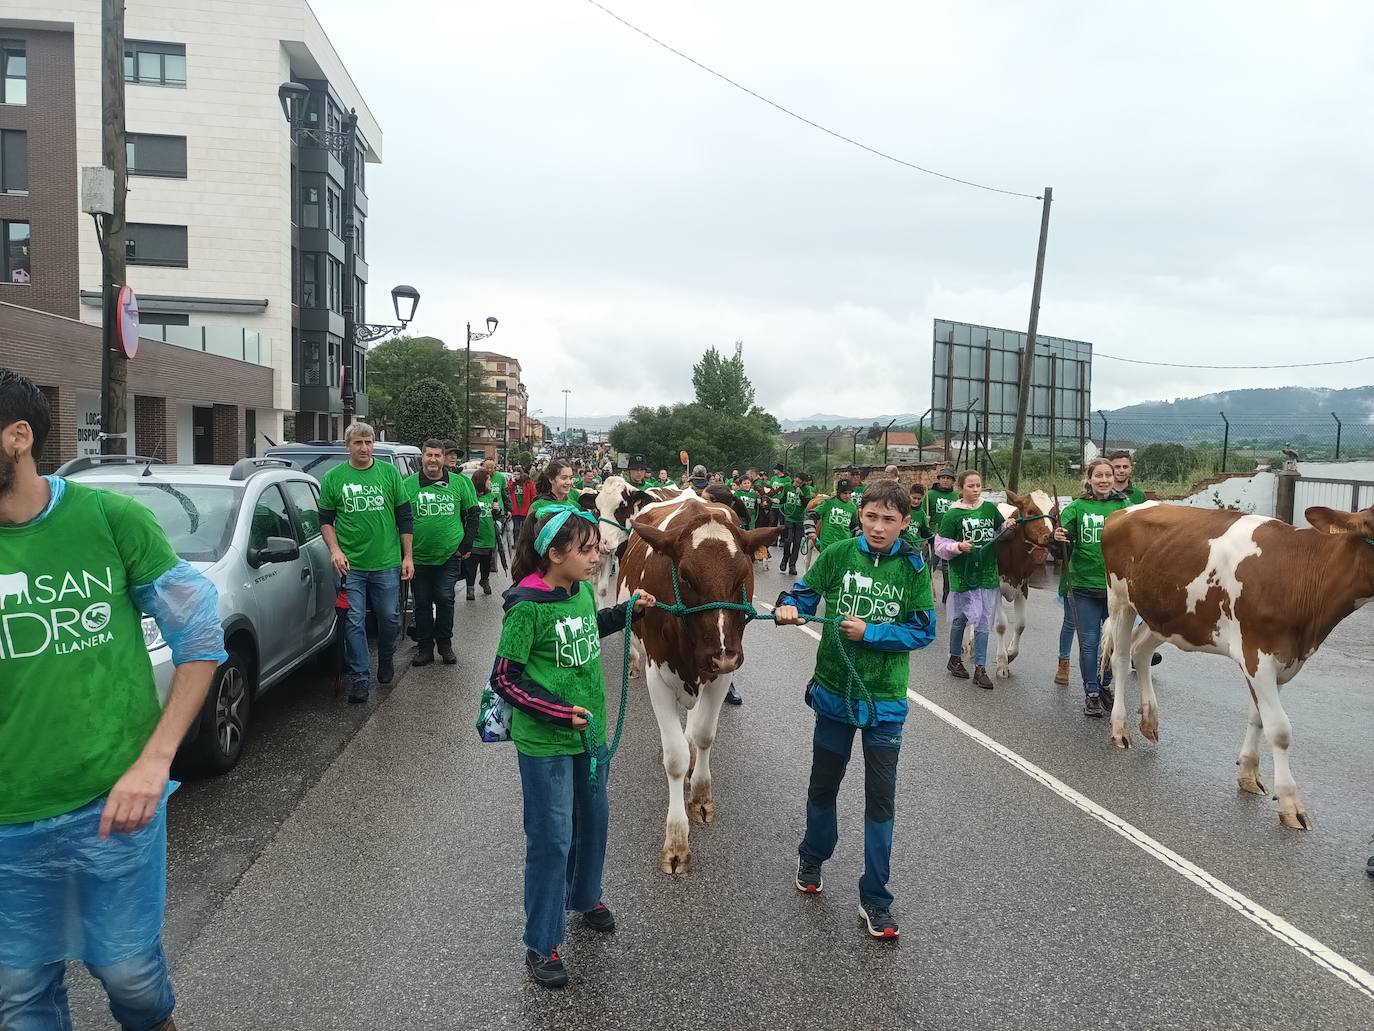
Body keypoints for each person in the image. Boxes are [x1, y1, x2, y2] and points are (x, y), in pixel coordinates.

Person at [0, 368, 225, 1031]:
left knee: (130, 975)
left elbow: (200, 630)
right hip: (7, 822)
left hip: (111, 805)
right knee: (19, 999)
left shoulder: (107, 518)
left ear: (17, 437)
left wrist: (156, 759)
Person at [490, 504, 656, 988]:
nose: (598, 555)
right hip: (546, 744)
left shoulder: (580, 591)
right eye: (586, 549)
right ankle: (542, 941)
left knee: (595, 821)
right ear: (554, 553)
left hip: (592, 735)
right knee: (552, 838)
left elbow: (587, 627)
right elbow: (505, 678)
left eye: (596, 547)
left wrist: (626, 612)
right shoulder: (526, 608)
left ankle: (586, 897)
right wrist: (558, 712)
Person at [774, 479, 937, 940]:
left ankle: (875, 898)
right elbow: (802, 594)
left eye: (890, 519)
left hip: (885, 703)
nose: (879, 527)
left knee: (880, 801)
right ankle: (813, 852)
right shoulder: (839, 554)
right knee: (824, 784)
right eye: (872, 516)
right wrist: (789, 607)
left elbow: (923, 631)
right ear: (859, 516)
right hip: (833, 694)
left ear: (906, 523)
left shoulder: (913, 567)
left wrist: (872, 633)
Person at [320, 421, 414, 703]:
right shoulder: (334, 478)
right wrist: (335, 550)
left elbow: (404, 517)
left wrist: (407, 555)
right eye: (358, 442)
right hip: (351, 567)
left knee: (389, 617)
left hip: (386, 563)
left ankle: (386, 658)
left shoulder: (388, 474)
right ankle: (360, 679)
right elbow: (325, 520)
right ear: (348, 445)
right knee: (353, 622)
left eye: (368, 442)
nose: (364, 447)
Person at [1054, 458, 1130, 717]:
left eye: (1108, 475)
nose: (1105, 480)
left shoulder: (1124, 506)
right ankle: (1092, 693)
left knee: (1113, 643)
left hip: (1116, 588)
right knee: (1090, 642)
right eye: (1098, 475)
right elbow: (1061, 545)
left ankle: (1105, 685)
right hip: (1083, 584)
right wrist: (1058, 538)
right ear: (1089, 479)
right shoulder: (1075, 508)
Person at [934, 470, 1014, 691]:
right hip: (965, 573)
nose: (976, 489)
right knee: (961, 618)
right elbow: (940, 546)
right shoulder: (952, 516)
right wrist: (958, 547)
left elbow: (998, 530)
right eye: (970, 486)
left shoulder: (989, 509)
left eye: (978, 485)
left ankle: (980, 668)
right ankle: (954, 658)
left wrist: (1006, 527)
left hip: (987, 573)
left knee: (983, 621)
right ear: (961, 488)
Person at [404, 439, 478, 666]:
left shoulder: (459, 483)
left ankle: (445, 645)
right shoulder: (408, 485)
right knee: (422, 603)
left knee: (445, 599)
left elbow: (473, 513)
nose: (433, 460)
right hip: (419, 558)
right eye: (429, 455)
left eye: (438, 455)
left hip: (448, 556)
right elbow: (401, 519)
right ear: (422, 458)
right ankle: (425, 648)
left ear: (443, 458)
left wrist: (465, 546)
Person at [924, 468, 959, 604]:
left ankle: (947, 597)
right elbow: (922, 515)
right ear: (938, 479)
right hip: (934, 536)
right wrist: (926, 521)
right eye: (943, 477)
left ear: (953, 481)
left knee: (948, 569)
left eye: (948, 478)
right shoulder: (930, 495)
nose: (945, 480)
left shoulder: (956, 497)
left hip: (950, 538)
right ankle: (925, 596)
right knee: (929, 567)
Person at [467, 469, 501, 600]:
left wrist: (497, 510)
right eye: (488, 480)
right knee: (472, 566)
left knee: (486, 564)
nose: (490, 482)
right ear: (481, 481)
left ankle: (484, 580)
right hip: (474, 538)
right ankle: (470, 588)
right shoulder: (471, 496)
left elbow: (495, 515)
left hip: (488, 537)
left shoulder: (491, 496)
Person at [806, 479, 859, 554]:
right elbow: (810, 515)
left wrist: (861, 536)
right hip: (827, 545)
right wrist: (811, 531)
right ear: (839, 493)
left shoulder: (853, 507)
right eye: (845, 493)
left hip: (844, 545)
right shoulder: (829, 503)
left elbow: (854, 526)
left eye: (850, 493)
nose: (847, 496)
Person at [777, 474, 807, 576]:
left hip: (799, 519)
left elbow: (806, 504)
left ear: (803, 483)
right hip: (788, 517)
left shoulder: (806, 490)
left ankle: (792, 565)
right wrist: (778, 501)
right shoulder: (787, 486)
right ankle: (785, 559)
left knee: (797, 543)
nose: (796, 484)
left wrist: (801, 495)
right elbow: (783, 499)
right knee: (788, 540)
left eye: (799, 483)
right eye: (795, 481)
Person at [508, 466, 536, 542]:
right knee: (516, 528)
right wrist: (512, 482)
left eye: (517, 474)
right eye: (514, 474)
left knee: (524, 528)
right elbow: (508, 491)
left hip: (525, 509)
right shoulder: (512, 482)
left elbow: (533, 494)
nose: (516, 476)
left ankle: (522, 543)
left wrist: (533, 507)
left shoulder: (528, 482)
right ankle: (516, 542)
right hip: (515, 509)